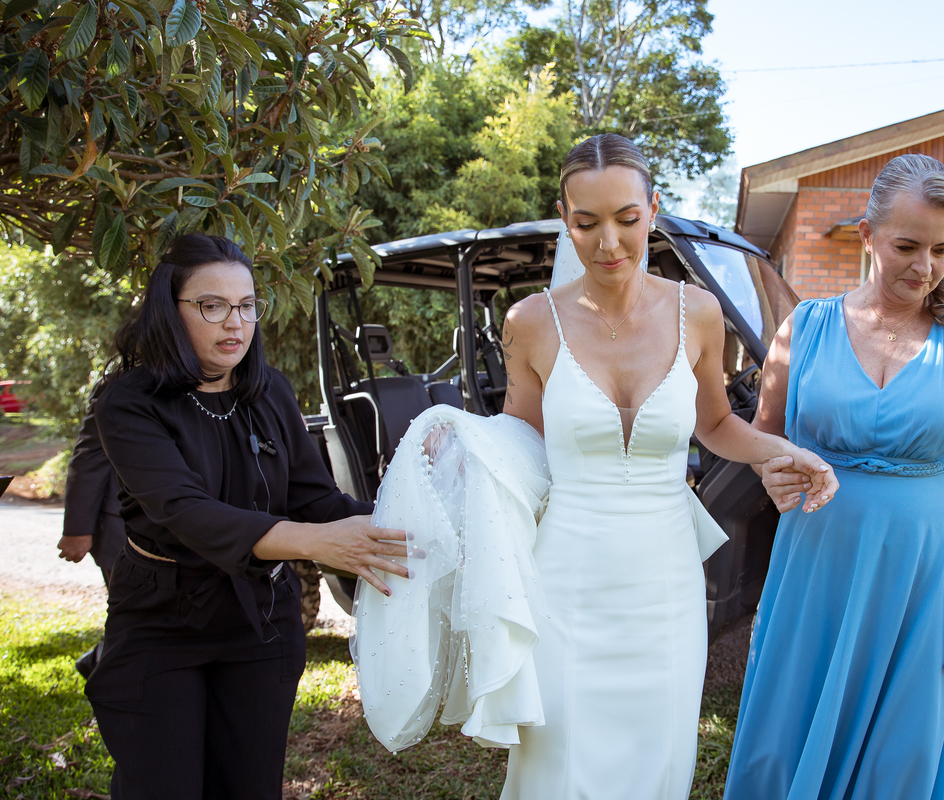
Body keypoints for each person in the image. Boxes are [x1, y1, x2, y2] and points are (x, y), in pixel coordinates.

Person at [493, 133, 840, 799]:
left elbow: (716, 425)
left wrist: (785, 450)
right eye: (586, 224)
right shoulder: (531, 322)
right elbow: (518, 440)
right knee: (559, 760)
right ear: (564, 219)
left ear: (652, 209)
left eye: (627, 219)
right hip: (566, 580)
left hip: (666, 583)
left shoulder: (698, 313)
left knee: (657, 756)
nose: (609, 244)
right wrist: (458, 443)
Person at [722, 154, 944, 800]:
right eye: (908, 246)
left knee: (901, 752)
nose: (926, 267)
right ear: (867, 236)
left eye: (942, 250)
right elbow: (763, 441)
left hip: (927, 583)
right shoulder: (806, 328)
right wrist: (774, 471)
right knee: (788, 733)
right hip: (816, 566)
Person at [87, 234, 413, 800]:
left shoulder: (269, 391)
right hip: (163, 621)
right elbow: (185, 511)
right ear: (170, 308)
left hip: (262, 622)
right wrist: (315, 542)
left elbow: (319, 503)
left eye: (246, 305)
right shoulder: (128, 401)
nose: (234, 323)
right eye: (212, 306)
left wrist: (422, 521)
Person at [57, 379, 126, 678]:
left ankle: (99, 662)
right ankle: (105, 672)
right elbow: (90, 455)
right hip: (120, 529)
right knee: (131, 618)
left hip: (186, 529)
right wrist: (77, 529)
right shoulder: (120, 382)